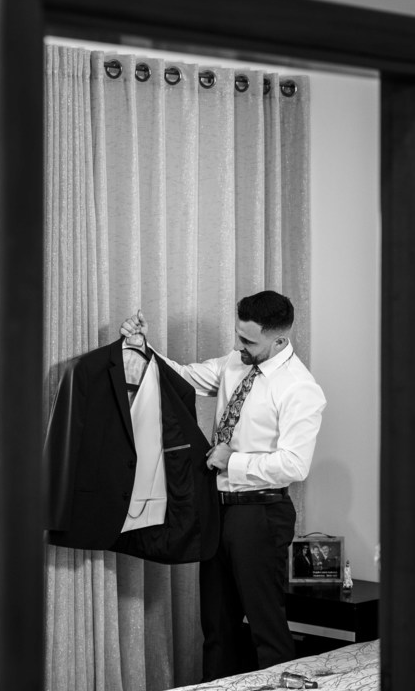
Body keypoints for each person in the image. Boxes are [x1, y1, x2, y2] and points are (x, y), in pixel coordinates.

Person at [120, 290, 327, 681]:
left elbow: (294, 464)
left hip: (261, 514)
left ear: (279, 340)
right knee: (217, 627)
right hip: (218, 510)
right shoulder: (236, 362)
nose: (238, 346)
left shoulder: (299, 388)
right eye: (238, 335)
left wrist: (232, 460)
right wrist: (142, 347)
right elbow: (182, 377)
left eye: (248, 340)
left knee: (265, 625)